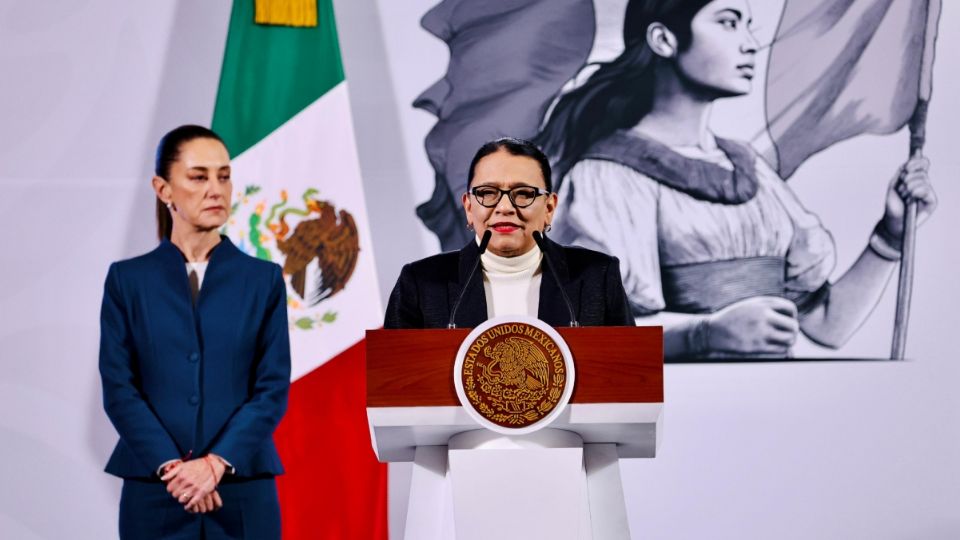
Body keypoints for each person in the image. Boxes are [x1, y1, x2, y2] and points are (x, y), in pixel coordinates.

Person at [538, 0, 938, 359]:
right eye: (728, 23)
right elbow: (592, 340)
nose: (749, 44)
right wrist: (702, 335)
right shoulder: (607, 178)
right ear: (663, 39)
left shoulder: (752, 171)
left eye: (749, 26)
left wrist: (891, 234)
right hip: (684, 415)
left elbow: (827, 325)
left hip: (774, 415)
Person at [99, 125, 290, 539]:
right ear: (163, 189)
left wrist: (215, 464)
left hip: (242, 490)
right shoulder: (127, 281)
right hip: (155, 491)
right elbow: (119, 388)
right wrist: (175, 469)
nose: (216, 189)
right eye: (199, 176)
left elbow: (272, 388)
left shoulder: (264, 280)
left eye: (224, 176)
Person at [384, 137, 634, 329]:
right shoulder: (421, 283)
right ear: (469, 207)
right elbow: (395, 386)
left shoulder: (597, 276)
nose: (505, 207)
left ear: (549, 208)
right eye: (488, 193)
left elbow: (629, 382)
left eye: (523, 193)